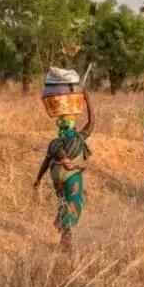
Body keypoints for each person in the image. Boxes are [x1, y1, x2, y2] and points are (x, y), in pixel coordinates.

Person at [33, 92, 95, 252]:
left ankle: (65, 237)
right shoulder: (78, 139)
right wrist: (88, 101)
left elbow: (46, 163)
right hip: (71, 177)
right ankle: (66, 241)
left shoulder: (54, 142)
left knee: (63, 203)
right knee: (74, 205)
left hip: (56, 179)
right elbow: (91, 123)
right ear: (73, 126)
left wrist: (38, 180)